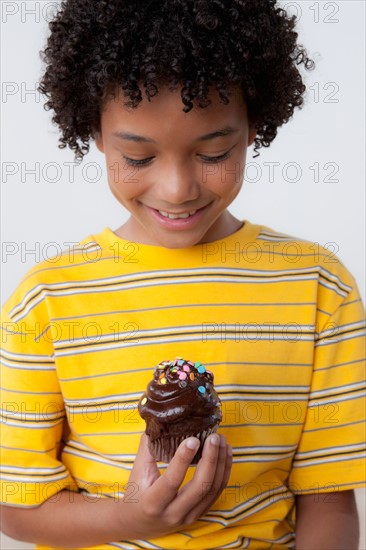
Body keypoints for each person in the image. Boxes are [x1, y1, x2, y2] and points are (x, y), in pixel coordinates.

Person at [1, 1, 365, 548]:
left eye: (214, 150)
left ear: (254, 126)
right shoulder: (48, 300)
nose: (177, 190)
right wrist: (132, 520)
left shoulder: (319, 288)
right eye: (139, 158)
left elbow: (329, 503)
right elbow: (17, 507)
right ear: (94, 132)